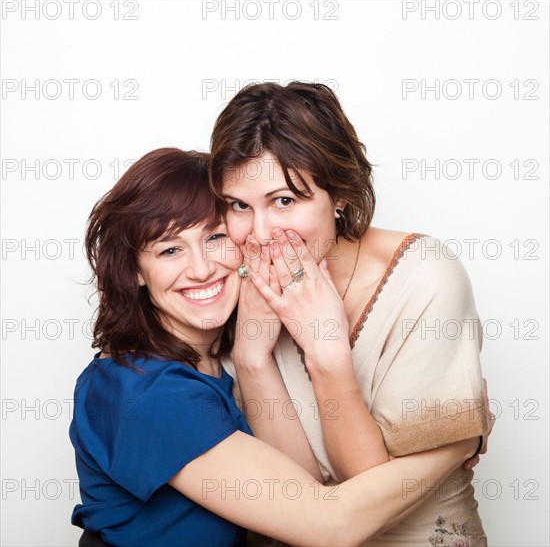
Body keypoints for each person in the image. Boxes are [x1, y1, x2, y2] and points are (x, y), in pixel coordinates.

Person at [70, 147, 481, 547]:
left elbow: (299, 489)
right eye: (170, 249)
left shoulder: (222, 357)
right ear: (135, 270)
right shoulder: (143, 392)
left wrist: (254, 356)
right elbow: (331, 525)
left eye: (215, 238)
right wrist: (456, 443)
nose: (201, 268)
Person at [209, 82, 492, 546]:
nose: (259, 233)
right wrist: (251, 357)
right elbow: (302, 498)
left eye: (285, 201)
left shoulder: (425, 277)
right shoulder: (229, 284)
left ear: (338, 194)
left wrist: (326, 351)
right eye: (239, 205)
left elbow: (371, 500)